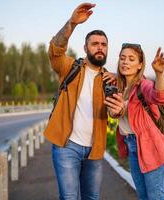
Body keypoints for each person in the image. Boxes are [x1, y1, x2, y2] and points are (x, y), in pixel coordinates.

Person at [43, 3, 123, 200]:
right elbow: (55, 50)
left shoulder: (110, 80)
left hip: (95, 150)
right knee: (69, 197)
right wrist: (72, 23)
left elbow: (116, 112)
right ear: (85, 47)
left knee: (92, 197)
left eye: (103, 45)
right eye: (95, 44)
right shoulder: (70, 67)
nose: (100, 48)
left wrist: (118, 109)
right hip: (67, 146)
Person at [104, 43, 164, 200]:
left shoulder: (144, 85)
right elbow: (115, 113)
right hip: (132, 146)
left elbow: (160, 97)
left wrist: (159, 74)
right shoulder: (118, 86)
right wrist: (114, 112)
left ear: (140, 65)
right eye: (122, 58)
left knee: (156, 196)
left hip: (150, 145)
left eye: (131, 59)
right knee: (143, 196)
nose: (125, 62)